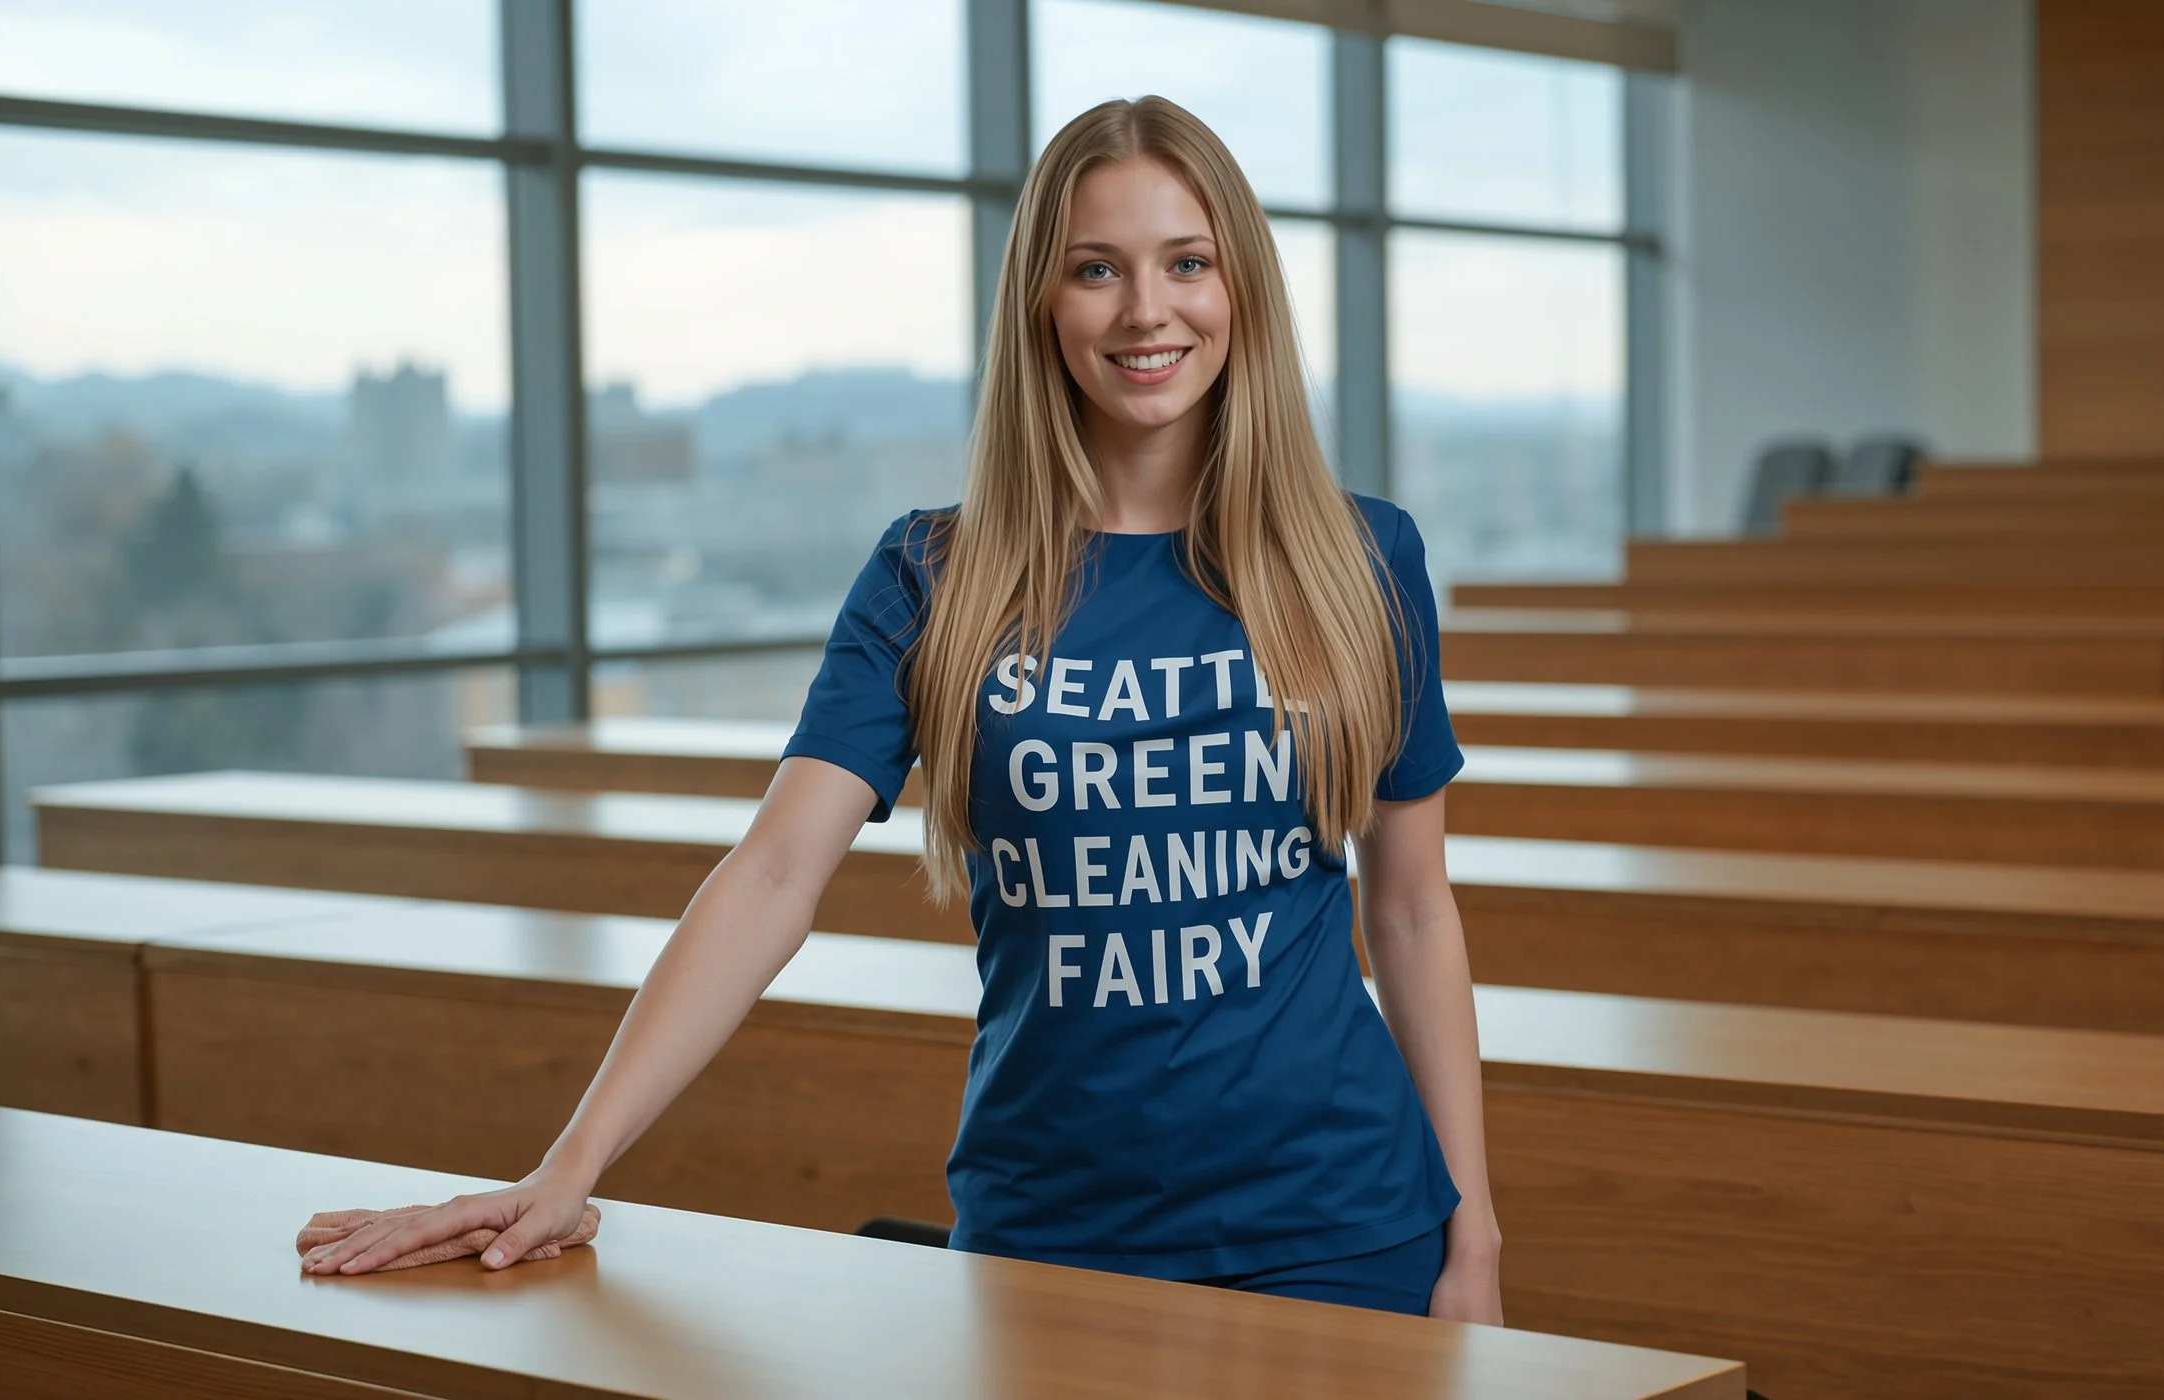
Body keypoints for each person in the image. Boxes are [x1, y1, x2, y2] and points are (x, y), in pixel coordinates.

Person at [301, 95, 1503, 1324]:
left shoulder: (1359, 559)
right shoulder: (936, 575)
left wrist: (1476, 1235)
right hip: (1051, 1236)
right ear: (1043, 302)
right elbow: (772, 876)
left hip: (1342, 1226)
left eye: (1186, 263)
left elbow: (1408, 907)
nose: (1148, 310)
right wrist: (570, 1164)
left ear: (1239, 286)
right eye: (1097, 269)